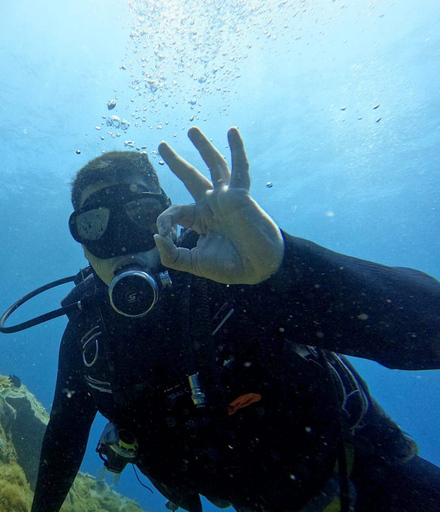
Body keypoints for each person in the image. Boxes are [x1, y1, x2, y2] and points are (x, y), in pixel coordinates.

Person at [28, 127, 440, 512]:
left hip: (373, 480)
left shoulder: (236, 277)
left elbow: (429, 332)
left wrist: (284, 266)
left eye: (139, 215)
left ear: (169, 220)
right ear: (83, 245)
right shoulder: (88, 334)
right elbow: (64, 438)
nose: (120, 243)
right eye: (96, 224)